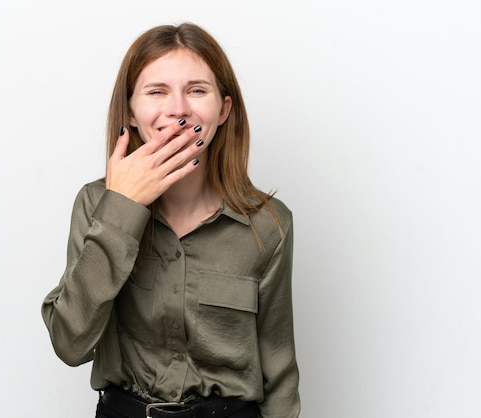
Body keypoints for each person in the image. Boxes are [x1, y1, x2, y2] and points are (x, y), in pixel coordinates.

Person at [41, 22, 300, 418]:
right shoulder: (95, 203)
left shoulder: (269, 224)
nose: (178, 109)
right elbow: (69, 343)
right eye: (157, 91)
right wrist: (123, 207)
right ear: (131, 109)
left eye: (197, 90)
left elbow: (279, 372)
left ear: (224, 109)